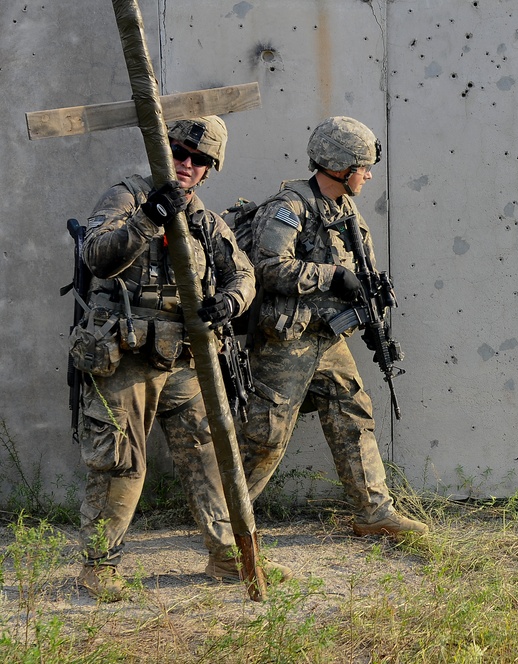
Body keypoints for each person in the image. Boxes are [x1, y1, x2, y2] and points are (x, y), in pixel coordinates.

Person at [73, 115, 289, 601]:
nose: (186, 165)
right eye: (179, 153)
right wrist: (149, 214)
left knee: (209, 455)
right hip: (126, 354)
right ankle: (98, 567)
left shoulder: (205, 220)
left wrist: (228, 303)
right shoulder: (127, 196)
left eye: (199, 160)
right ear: (162, 149)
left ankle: (228, 557)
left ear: (211, 169)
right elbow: (98, 258)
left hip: (185, 358)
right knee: (120, 459)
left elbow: (245, 275)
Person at [240, 116, 427, 538]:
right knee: (266, 434)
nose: (368, 174)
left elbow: (358, 267)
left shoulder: (344, 208)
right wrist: (330, 276)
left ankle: (374, 513)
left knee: (352, 414)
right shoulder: (288, 207)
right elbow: (264, 267)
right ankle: (227, 520)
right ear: (341, 166)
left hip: (325, 337)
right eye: (363, 166)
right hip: (286, 340)